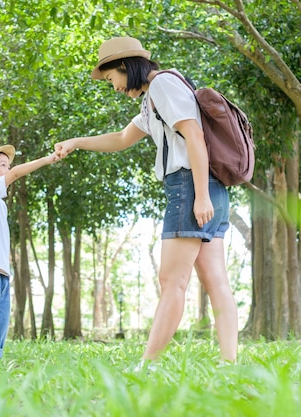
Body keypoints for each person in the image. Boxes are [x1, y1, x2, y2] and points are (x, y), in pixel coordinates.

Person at [54, 36, 238, 364]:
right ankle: (229, 365)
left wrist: (199, 195)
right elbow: (123, 138)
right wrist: (75, 142)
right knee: (214, 280)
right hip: (210, 187)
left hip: (191, 186)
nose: (113, 87)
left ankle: (147, 365)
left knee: (172, 280)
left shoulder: (164, 85)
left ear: (126, 66)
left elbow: (194, 136)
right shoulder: (153, 97)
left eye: (112, 78)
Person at [0, 145, 58, 362]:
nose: (9, 169)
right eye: (3, 165)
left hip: (0, 272)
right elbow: (16, 174)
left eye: (9, 165)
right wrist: (46, 159)